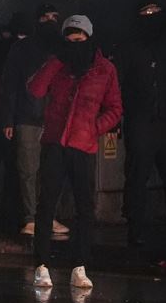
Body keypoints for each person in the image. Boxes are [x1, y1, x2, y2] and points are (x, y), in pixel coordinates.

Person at [27, 15, 122, 289]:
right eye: (69, 40)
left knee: (85, 208)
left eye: (79, 41)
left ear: (89, 40)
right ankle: (41, 264)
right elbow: (35, 89)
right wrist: (57, 59)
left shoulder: (104, 69)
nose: (74, 46)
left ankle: (79, 266)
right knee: (46, 206)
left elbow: (115, 108)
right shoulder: (58, 63)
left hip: (84, 145)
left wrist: (94, 128)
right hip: (55, 143)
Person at [117, 1, 166, 247]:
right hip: (142, 121)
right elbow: (120, 84)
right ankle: (136, 228)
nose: (151, 17)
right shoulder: (130, 48)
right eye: (146, 13)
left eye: (155, 13)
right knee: (137, 177)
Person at [1, 5, 69, 236]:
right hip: (28, 116)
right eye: (45, 16)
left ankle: (48, 217)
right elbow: (10, 85)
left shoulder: (62, 47)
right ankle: (31, 217)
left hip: (54, 117)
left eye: (54, 16)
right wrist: (9, 119)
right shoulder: (22, 48)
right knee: (29, 170)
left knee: (51, 171)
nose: (50, 21)